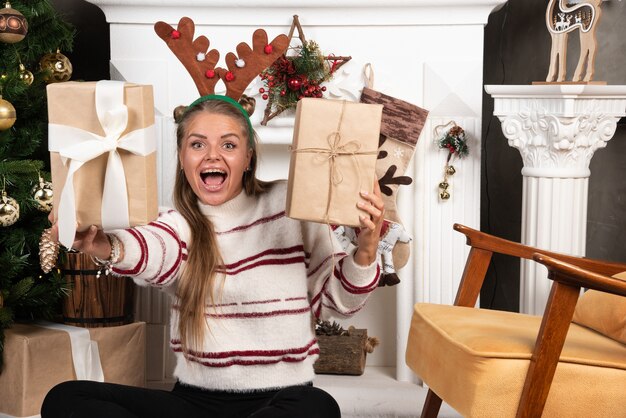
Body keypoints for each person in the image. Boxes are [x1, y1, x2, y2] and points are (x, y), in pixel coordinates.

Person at [41, 94, 384, 418]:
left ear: (248, 156)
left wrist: (366, 248)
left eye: (229, 144)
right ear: (182, 157)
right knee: (65, 398)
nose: (212, 155)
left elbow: (339, 301)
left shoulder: (290, 206)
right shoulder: (176, 223)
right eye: (197, 144)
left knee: (319, 406)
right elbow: (154, 250)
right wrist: (105, 247)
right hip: (194, 403)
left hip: (282, 398)